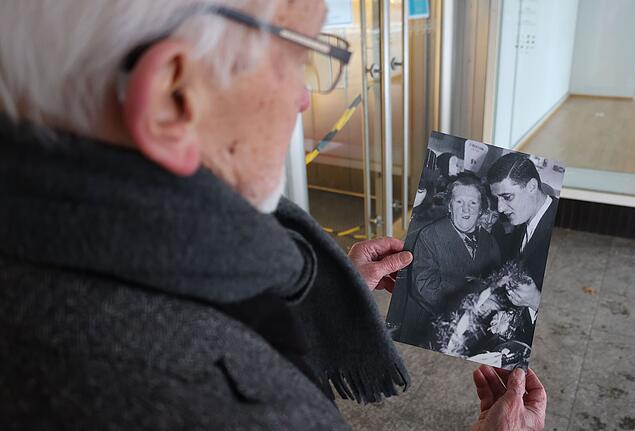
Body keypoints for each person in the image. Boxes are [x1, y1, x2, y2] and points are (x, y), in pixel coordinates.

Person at [0, 1, 545, 430]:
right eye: (296, 55)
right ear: (173, 98)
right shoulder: (220, 405)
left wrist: (337, 290)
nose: (305, 97)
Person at [397, 174, 501, 348]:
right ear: (450, 206)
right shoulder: (430, 236)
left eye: (473, 203)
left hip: (469, 330)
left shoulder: (489, 242)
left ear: (481, 208)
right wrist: (472, 302)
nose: (466, 210)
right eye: (459, 202)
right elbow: (424, 286)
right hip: (428, 326)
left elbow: (496, 281)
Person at [487, 152, 559, 349]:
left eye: (507, 197)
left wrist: (536, 299)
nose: (500, 208)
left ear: (532, 187)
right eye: (497, 199)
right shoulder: (522, 222)